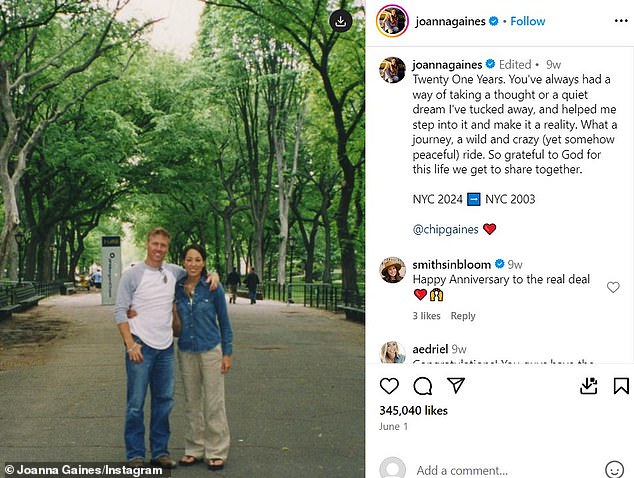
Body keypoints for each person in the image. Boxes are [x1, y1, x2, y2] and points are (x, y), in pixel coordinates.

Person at [114, 227, 218, 468]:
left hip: (165, 348)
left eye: (163, 245)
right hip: (140, 347)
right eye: (155, 244)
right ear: (147, 244)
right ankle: (135, 454)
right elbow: (120, 310)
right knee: (135, 404)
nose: (159, 249)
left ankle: (160, 451)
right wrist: (130, 344)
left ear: (167, 248)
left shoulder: (173, 272)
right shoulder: (133, 275)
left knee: (164, 402)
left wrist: (214, 274)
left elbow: (196, 272)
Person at [174, 245, 233, 471]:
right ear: (183, 262)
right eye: (189, 259)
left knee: (214, 402)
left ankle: (216, 451)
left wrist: (227, 353)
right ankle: (194, 448)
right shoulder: (177, 287)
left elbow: (225, 323)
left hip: (211, 350)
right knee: (192, 402)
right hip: (186, 350)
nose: (193, 264)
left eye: (198, 259)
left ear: (204, 262)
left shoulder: (212, 287)